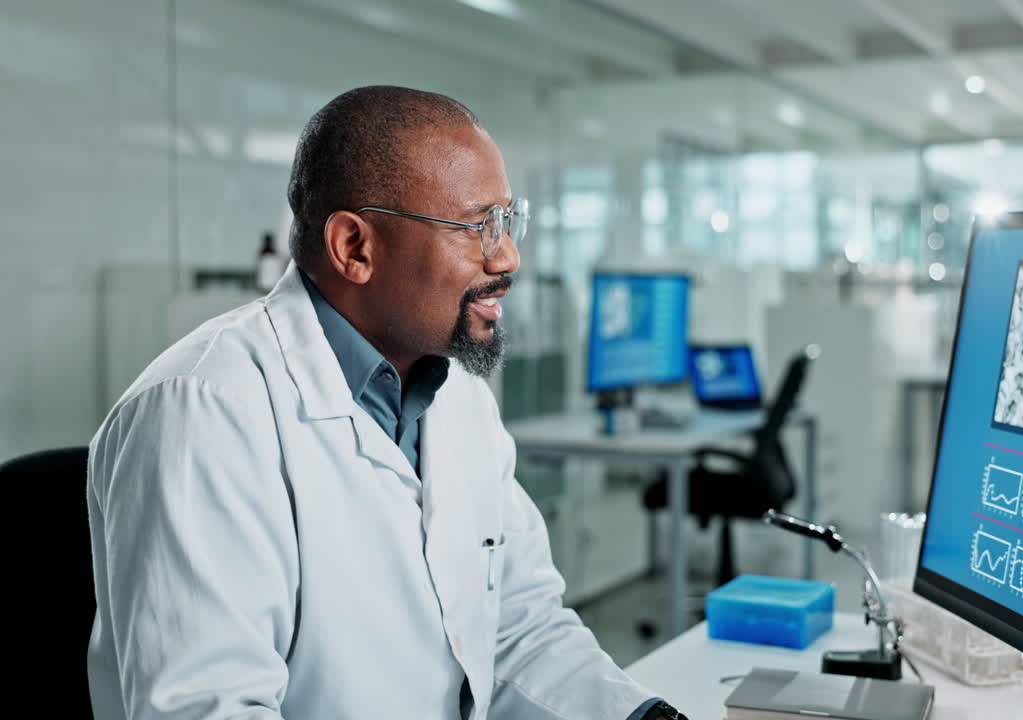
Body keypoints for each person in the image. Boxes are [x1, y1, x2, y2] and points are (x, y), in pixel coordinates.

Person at [86, 86, 686, 720]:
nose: (508, 255)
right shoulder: (203, 413)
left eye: (509, 222)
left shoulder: (459, 401)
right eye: (478, 226)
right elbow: (207, 710)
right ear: (355, 248)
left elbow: (519, 631)